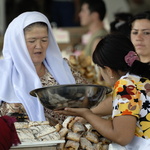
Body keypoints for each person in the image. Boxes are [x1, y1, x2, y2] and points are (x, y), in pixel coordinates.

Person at [56, 33, 150, 150]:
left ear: (109, 71)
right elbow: (119, 103)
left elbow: (121, 137)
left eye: (100, 69)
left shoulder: (125, 85)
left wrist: (87, 114)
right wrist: (90, 113)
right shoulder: (141, 78)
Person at [0, 11, 88, 125]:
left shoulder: (63, 68)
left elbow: (88, 99)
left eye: (44, 40)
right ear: (18, 43)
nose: (39, 46)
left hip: (64, 141)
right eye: (32, 41)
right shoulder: (3, 74)